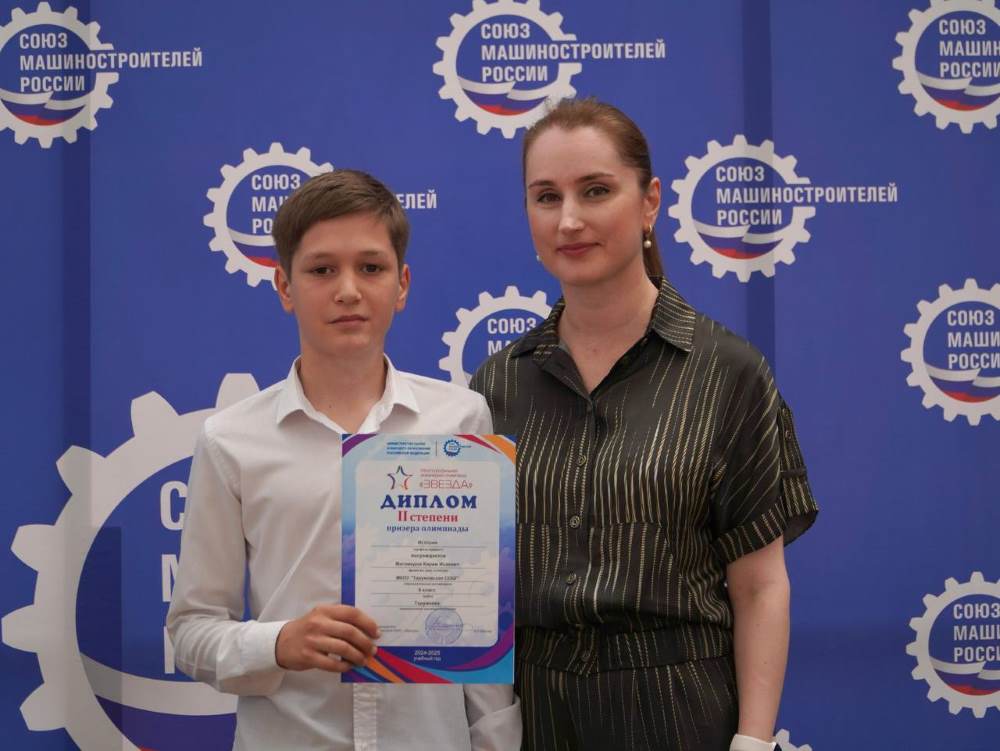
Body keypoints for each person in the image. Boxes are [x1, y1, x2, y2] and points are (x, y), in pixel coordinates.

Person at [470, 98, 818, 751]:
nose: (569, 219)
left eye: (596, 190)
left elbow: (760, 586)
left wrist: (753, 741)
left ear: (650, 201)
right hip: (535, 717)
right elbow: (476, 583)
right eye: (546, 197)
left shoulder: (728, 372)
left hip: (679, 712)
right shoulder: (496, 384)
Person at [167, 169, 521, 750]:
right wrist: (279, 642)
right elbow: (190, 631)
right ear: (284, 286)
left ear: (402, 285)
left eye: (371, 267)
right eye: (322, 270)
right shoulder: (230, 440)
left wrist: (496, 742)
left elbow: (481, 625)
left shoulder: (461, 419)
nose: (349, 290)